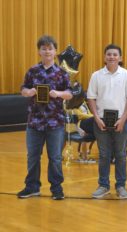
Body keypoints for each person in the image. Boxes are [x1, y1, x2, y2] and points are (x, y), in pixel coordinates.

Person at [17, 35, 73, 200]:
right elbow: (23, 89)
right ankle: (32, 187)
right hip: (34, 122)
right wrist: (29, 92)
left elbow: (70, 93)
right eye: (44, 48)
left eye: (50, 48)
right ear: (39, 51)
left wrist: (59, 94)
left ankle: (56, 188)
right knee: (33, 156)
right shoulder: (32, 71)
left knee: (55, 157)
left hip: (55, 122)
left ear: (55, 52)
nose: (47, 51)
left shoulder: (62, 73)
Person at [87, 44, 127, 199]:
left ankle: (121, 186)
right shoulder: (96, 75)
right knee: (103, 155)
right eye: (109, 54)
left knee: (121, 154)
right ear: (104, 57)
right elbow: (91, 98)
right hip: (100, 121)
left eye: (115, 54)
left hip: (121, 121)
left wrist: (123, 119)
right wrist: (96, 118)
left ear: (120, 58)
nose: (112, 57)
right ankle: (103, 185)